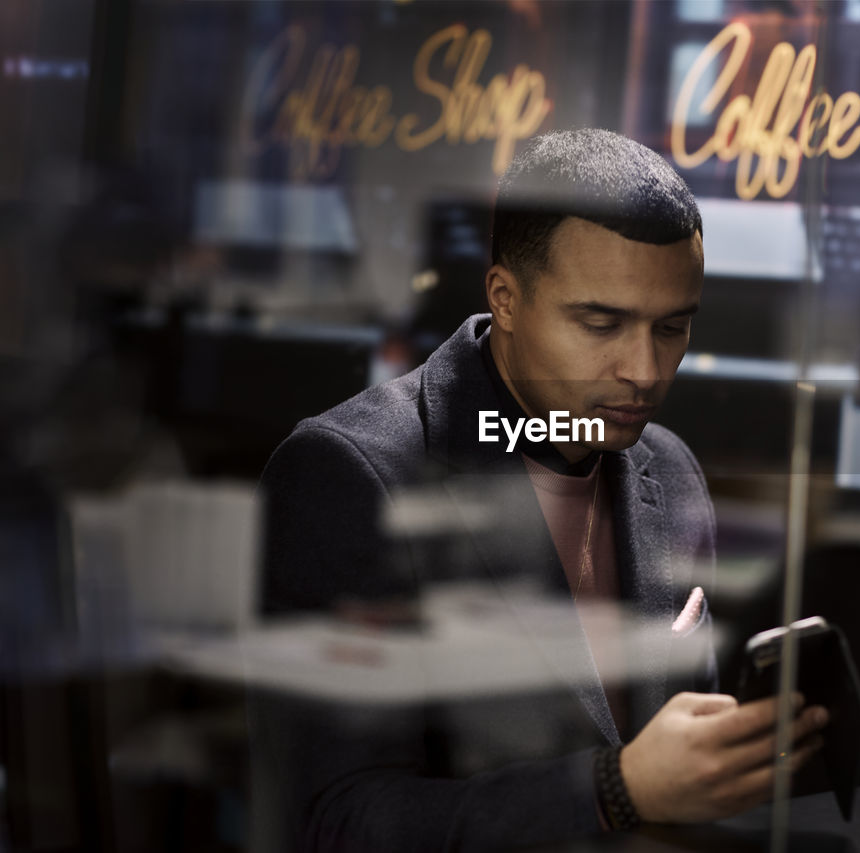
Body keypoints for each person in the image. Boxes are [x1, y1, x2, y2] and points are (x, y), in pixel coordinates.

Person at [255, 128, 828, 851]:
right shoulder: (350, 473)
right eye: (601, 323)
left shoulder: (671, 468)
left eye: (673, 327)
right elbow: (335, 819)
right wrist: (611, 788)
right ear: (507, 299)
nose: (645, 370)